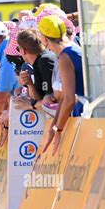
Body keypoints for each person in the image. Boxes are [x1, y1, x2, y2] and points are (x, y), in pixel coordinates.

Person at [37, 15, 84, 155]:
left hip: (83, 114)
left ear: (44, 39)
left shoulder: (65, 56)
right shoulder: (69, 51)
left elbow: (70, 99)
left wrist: (59, 129)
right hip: (83, 112)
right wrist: (54, 127)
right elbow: (64, 96)